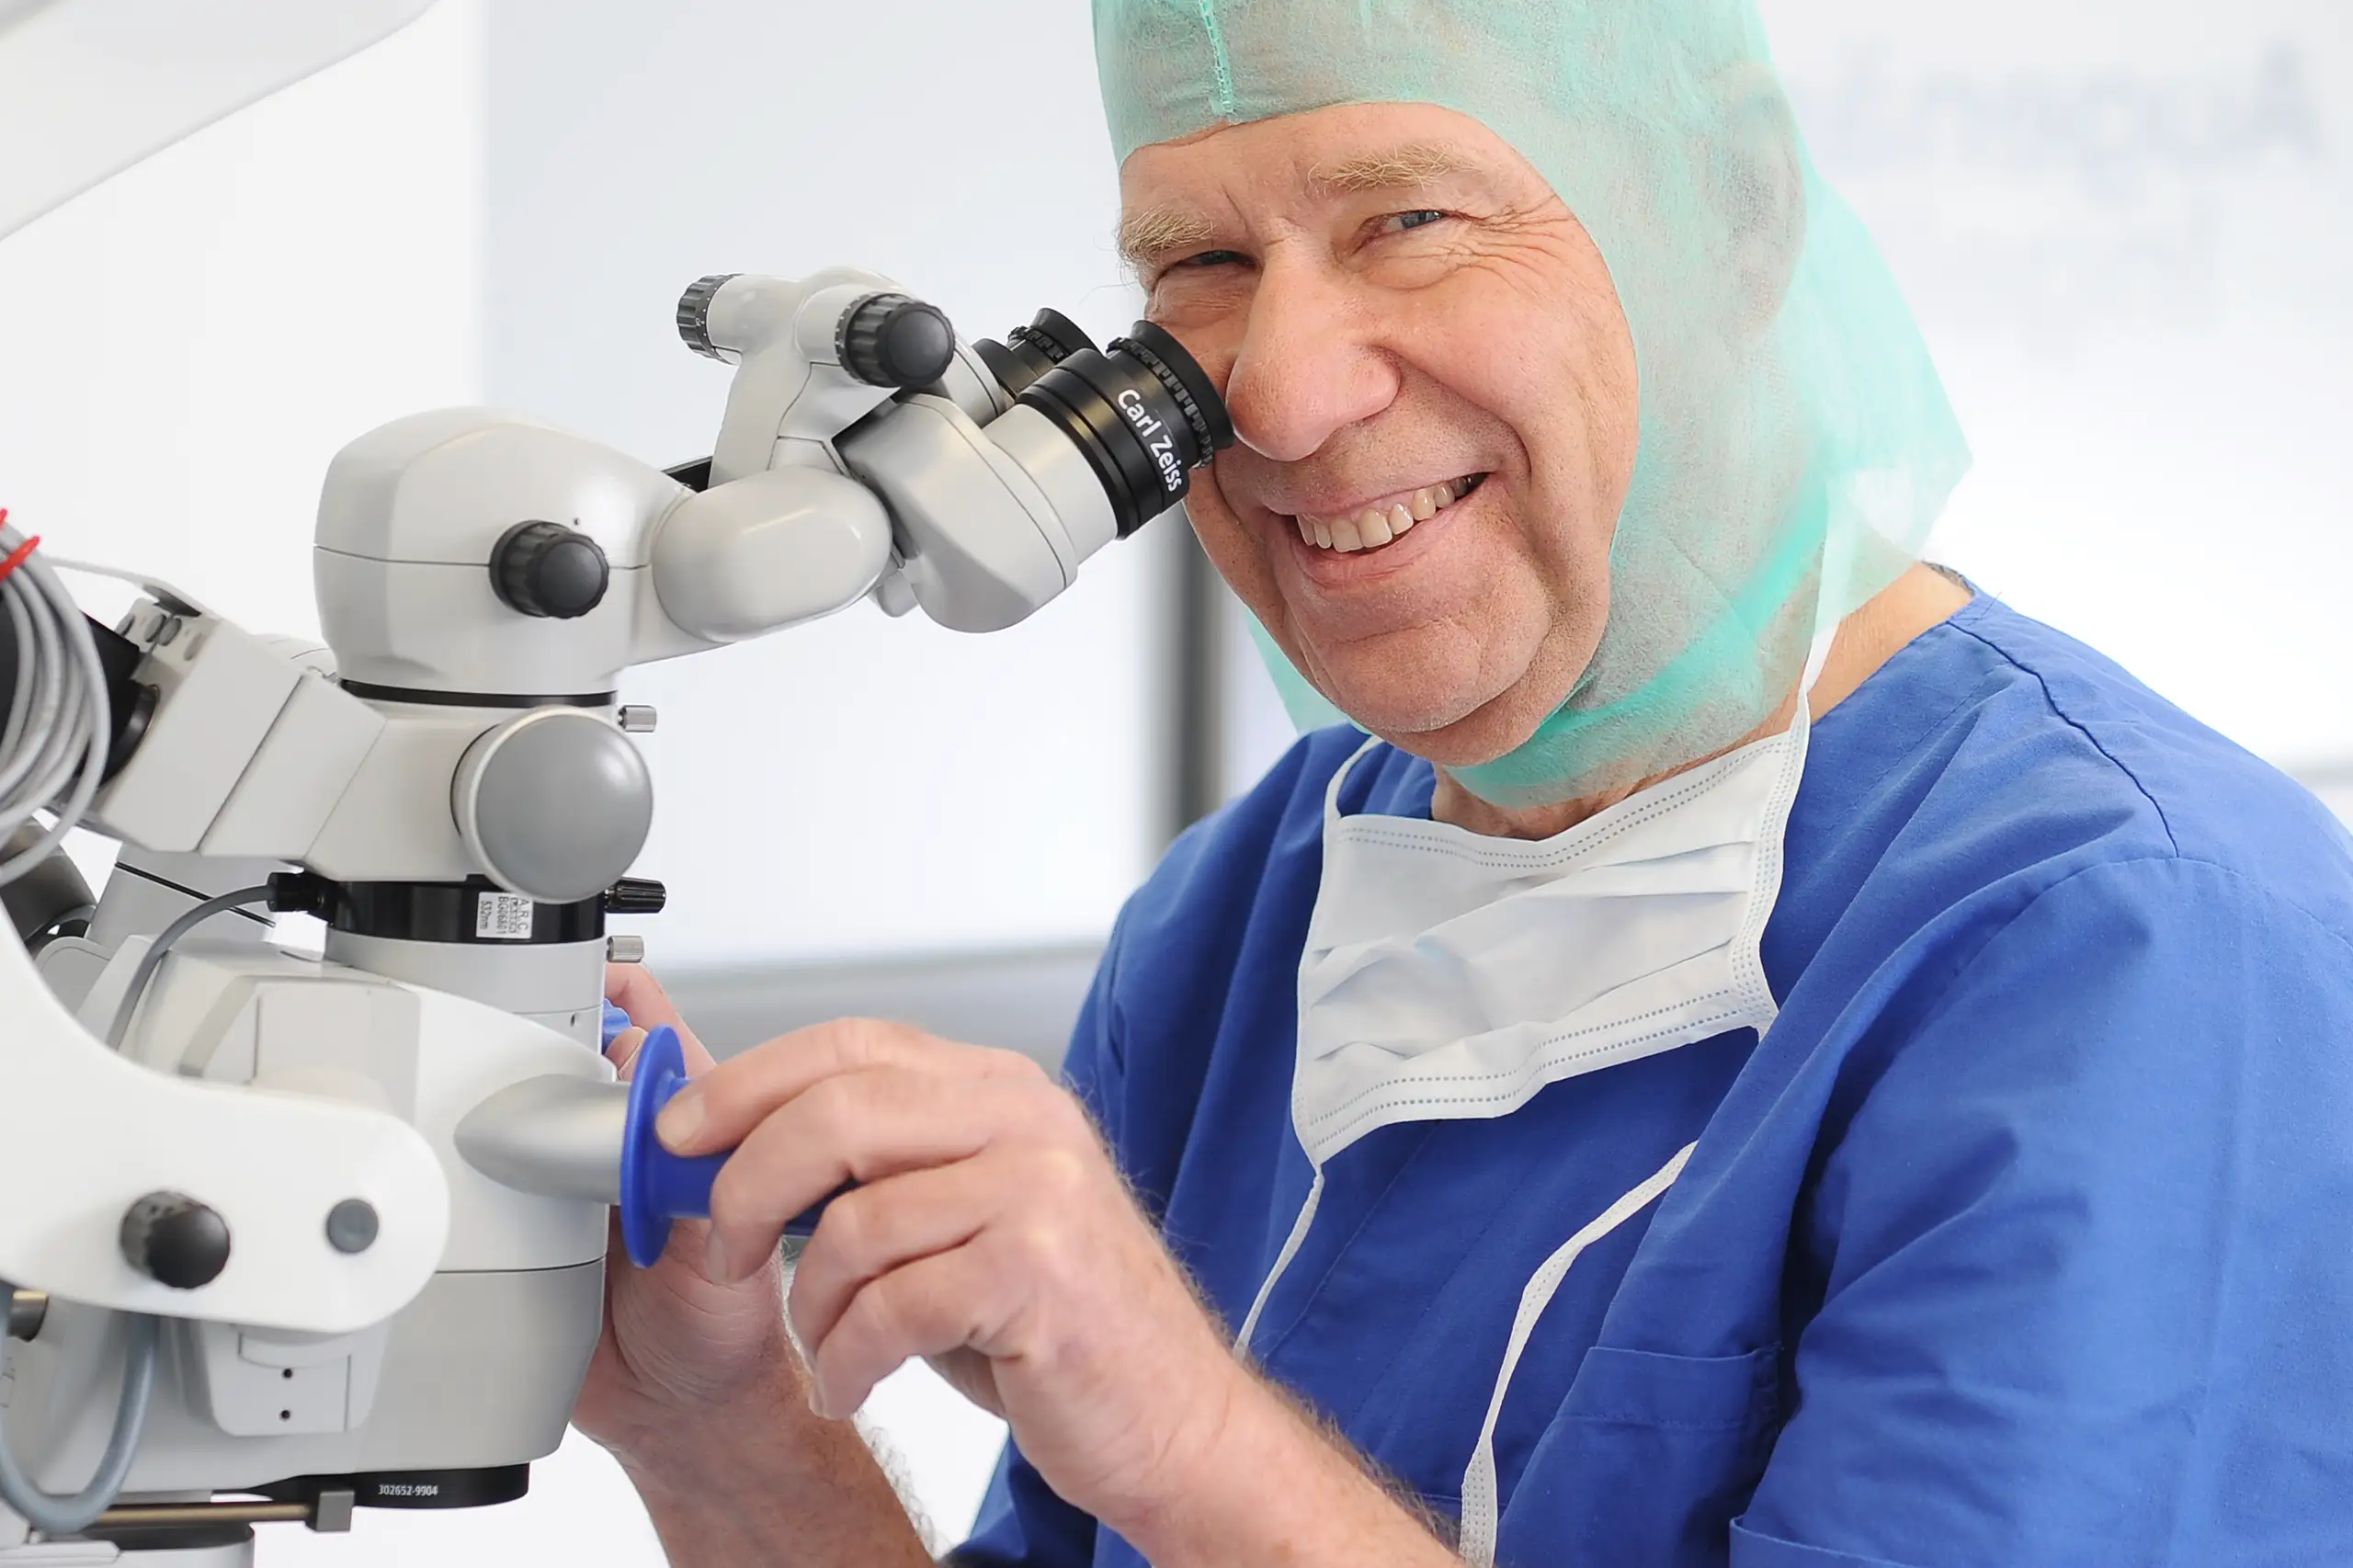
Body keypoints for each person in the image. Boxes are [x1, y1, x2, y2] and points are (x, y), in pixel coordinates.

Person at [581, 3, 2353, 1564]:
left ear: (1733, 210)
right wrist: (725, 1430)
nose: (1282, 395)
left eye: (1408, 222)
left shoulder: (2137, 948)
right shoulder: (1238, 923)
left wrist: (1189, 1438)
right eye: (1201, 264)